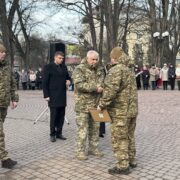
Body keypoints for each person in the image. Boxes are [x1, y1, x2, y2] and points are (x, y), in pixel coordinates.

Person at [97, 47, 136, 175]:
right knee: (129, 136)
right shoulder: (129, 70)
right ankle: (131, 160)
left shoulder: (116, 70)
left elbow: (110, 92)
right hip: (132, 110)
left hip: (120, 112)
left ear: (114, 57)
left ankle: (123, 166)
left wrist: (101, 105)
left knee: (120, 138)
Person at [72, 50, 105, 161]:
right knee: (83, 129)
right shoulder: (79, 69)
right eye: (92, 59)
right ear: (87, 58)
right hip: (83, 105)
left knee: (95, 128)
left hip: (96, 104)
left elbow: (103, 82)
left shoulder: (100, 69)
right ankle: (80, 151)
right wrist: (95, 88)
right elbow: (79, 85)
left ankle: (93, 148)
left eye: (96, 59)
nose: (95, 62)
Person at [42, 51, 71, 142]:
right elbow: (45, 82)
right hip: (53, 96)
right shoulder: (48, 67)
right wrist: (46, 95)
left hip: (62, 95)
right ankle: (52, 134)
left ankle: (59, 133)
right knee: (54, 116)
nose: (61, 60)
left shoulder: (64, 67)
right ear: (55, 58)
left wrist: (69, 81)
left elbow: (68, 77)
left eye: (62, 58)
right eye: (59, 58)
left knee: (61, 116)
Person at [0, 43, 19, 169]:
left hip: (3, 104)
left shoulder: (7, 67)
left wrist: (14, 99)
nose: (4, 54)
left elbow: (12, 83)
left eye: (4, 52)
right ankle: (4, 158)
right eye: (1, 52)